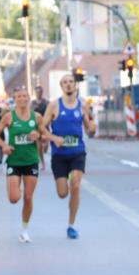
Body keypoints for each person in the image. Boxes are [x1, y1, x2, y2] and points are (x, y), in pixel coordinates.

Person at [42, 73, 96, 239]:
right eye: (65, 82)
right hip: (59, 155)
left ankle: (71, 225)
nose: (68, 85)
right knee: (63, 193)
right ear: (61, 86)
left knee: (76, 185)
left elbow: (89, 129)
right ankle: (63, 187)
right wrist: (53, 138)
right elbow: (41, 129)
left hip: (77, 153)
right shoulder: (54, 106)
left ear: (75, 85)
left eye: (71, 82)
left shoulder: (83, 106)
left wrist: (92, 128)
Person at [0, 86, 46, 242]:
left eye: (25, 96)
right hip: (14, 161)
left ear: (28, 98)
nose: (23, 98)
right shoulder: (9, 117)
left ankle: (24, 230)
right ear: (14, 99)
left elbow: (44, 135)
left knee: (28, 198)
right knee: (14, 198)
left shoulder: (36, 117)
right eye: (19, 96)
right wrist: (4, 146)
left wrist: (39, 135)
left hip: (31, 161)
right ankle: (15, 187)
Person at [30, 85, 50, 170]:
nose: (38, 93)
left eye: (40, 92)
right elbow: (29, 113)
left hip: (45, 126)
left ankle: (45, 147)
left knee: (45, 147)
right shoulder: (33, 103)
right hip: (36, 127)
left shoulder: (46, 102)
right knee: (39, 148)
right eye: (37, 92)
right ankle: (42, 163)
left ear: (42, 92)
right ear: (35, 93)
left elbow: (50, 113)